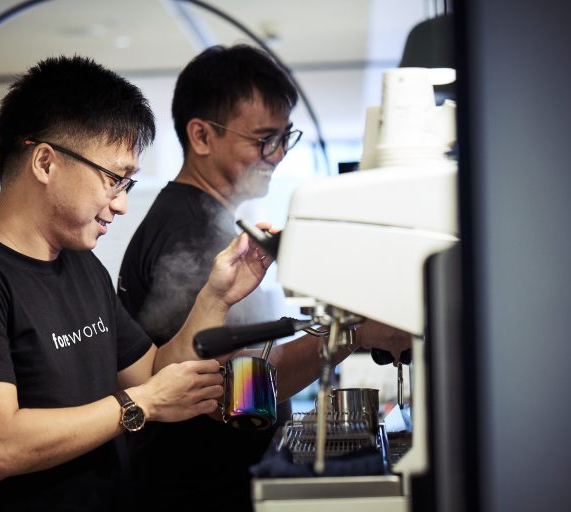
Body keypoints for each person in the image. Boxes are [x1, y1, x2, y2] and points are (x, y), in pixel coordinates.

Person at [0, 55, 275, 512]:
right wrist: (139, 404)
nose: (121, 204)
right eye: (113, 179)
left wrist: (216, 297)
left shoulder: (84, 268)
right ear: (45, 162)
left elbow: (153, 374)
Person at [117, 44, 411, 511]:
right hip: (197, 489)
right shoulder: (189, 231)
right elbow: (228, 394)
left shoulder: (210, 220)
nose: (276, 155)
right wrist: (350, 333)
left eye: (284, 138)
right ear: (201, 136)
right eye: (262, 139)